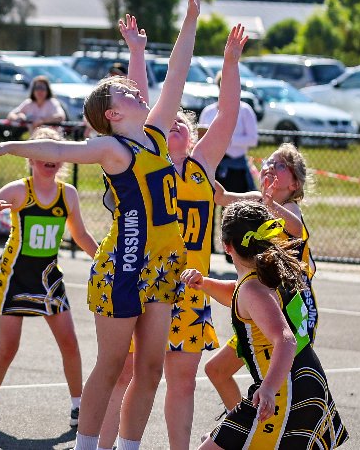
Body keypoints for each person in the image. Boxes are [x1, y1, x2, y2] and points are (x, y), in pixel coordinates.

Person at [0, 0, 205, 450]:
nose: (137, 92)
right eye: (125, 93)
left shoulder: (156, 133)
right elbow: (58, 146)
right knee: (113, 366)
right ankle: (87, 446)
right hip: (123, 265)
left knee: (151, 371)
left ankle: (128, 447)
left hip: (164, 264)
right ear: (112, 114)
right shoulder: (111, 148)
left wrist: (191, 18)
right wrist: (4, 145)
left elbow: (177, 71)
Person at [98, 25, 250, 450]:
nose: (176, 125)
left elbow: (227, 115)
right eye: (171, 122)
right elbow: (140, 101)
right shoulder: (146, 160)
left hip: (191, 288)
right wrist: (137, 53)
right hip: (146, 281)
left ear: (194, 135)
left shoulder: (202, 168)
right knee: (126, 374)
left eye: (184, 123)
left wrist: (231, 64)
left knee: (182, 382)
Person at [185, 201, 348, 450]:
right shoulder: (266, 272)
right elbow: (238, 296)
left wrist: (269, 388)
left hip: (286, 392)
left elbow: (286, 339)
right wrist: (204, 283)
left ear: (226, 246)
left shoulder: (253, 288)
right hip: (301, 382)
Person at [0, 126, 98, 430]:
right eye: (40, 152)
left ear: (62, 159)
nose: (47, 158)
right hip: (14, 276)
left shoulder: (68, 194)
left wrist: (104, 261)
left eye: (53, 152)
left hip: (48, 278)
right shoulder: (18, 190)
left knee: (69, 342)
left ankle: (78, 405)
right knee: (8, 347)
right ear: (30, 158)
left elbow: (80, 234)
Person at [203, 143, 316, 414]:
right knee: (217, 370)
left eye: (279, 165)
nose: (269, 166)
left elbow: (296, 228)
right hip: (263, 306)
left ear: (295, 183)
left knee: (279, 380)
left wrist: (269, 204)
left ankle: (264, 426)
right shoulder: (258, 200)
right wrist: (200, 162)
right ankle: (239, 424)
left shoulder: (287, 207)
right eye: (269, 161)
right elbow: (220, 196)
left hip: (290, 308)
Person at [198, 71, 259, 194]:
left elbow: (253, 139)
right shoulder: (208, 112)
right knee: (208, 206)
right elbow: (199, 138)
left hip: (235, 167)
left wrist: (228, 140)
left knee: (234, 208)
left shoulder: (245, 110)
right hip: (211, 166)